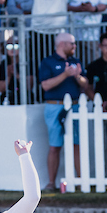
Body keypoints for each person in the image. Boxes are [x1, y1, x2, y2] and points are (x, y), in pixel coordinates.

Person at [40, 32, 92, 190]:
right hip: (54, 106)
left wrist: (77, 76)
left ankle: (80, 181)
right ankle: (51, 183)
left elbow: (85, 83)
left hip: (74, 106)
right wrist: (65, 74)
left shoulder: (75, 62)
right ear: (62, 44)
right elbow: (45, 85)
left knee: (77, 143)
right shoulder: (48, 62)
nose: (74, 46)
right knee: (55, 146)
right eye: (72, 44)